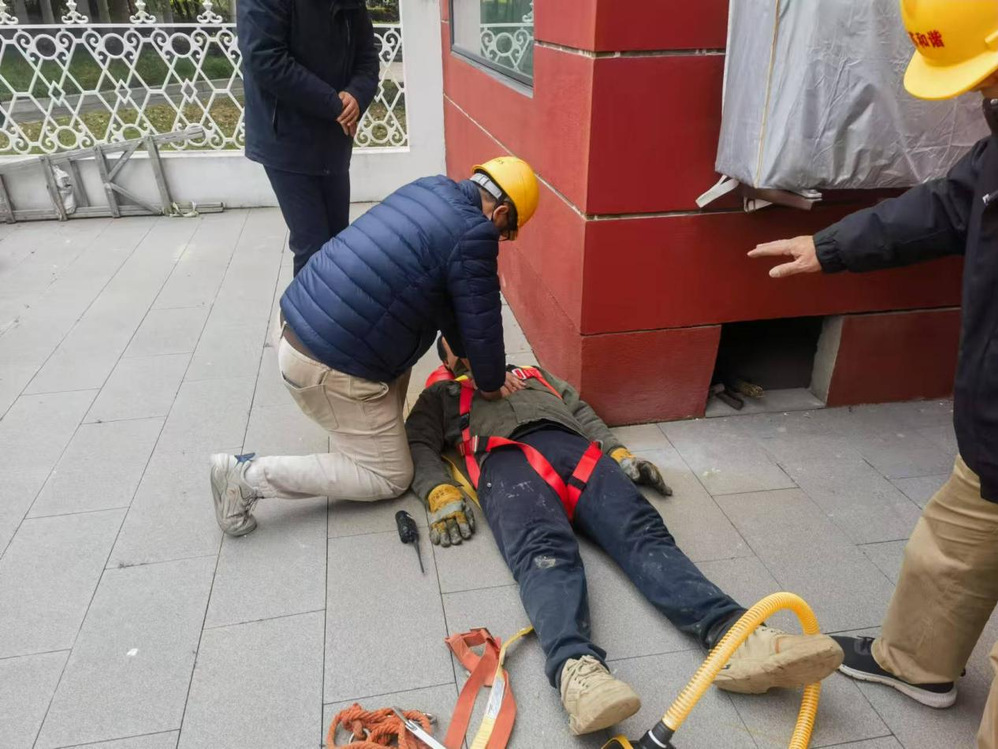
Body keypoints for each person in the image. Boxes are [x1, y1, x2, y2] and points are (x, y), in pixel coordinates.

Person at [747, 2, 998, 745]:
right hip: (991, 429)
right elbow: (951, 204)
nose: (977, 94)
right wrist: (832, 247)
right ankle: (915, 664)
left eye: (986, 77)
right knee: (950, 547)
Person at [405, 337, 844, 735]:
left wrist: (617, 452)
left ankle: (738, 638)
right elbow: (418, 442)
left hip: (577, 452)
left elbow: (581, 413)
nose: (475, 345)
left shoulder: (534, 374)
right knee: (544, 555)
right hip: (506, 462)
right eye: (461, 343)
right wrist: (438, 490)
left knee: (643, 533)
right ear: (448, 358)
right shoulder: (442, 395)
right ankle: (578, 675)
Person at [208, 158, 540, 537]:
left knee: (408, 319)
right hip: (323, 364)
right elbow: (482, 324)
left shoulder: (430, 187)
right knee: (391, 476)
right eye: (505, 233)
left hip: (297, 323)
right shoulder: (476, 234)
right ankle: (246, 478)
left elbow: (453, 303)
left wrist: (471, 360)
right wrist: (492, 382)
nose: (499, 238)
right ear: (500, 212)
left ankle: (367, 433)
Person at [238, 0, 379, 276]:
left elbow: (367, 57)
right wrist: (334, 105)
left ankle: (334, 303)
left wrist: (357, 95)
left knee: (339, 241)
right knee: (312, 247)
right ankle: (307, 306)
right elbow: (265, 58)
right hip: (286, 138)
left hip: (334, 135)